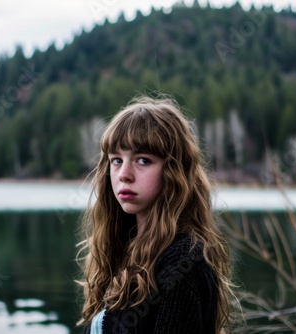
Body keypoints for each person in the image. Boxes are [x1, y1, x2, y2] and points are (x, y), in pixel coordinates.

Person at [76, 95, 232, 333]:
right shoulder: (122, 250)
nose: (124, 174)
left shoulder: (181, 263)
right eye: (116, 160)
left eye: (142, 160)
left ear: (173, 170)